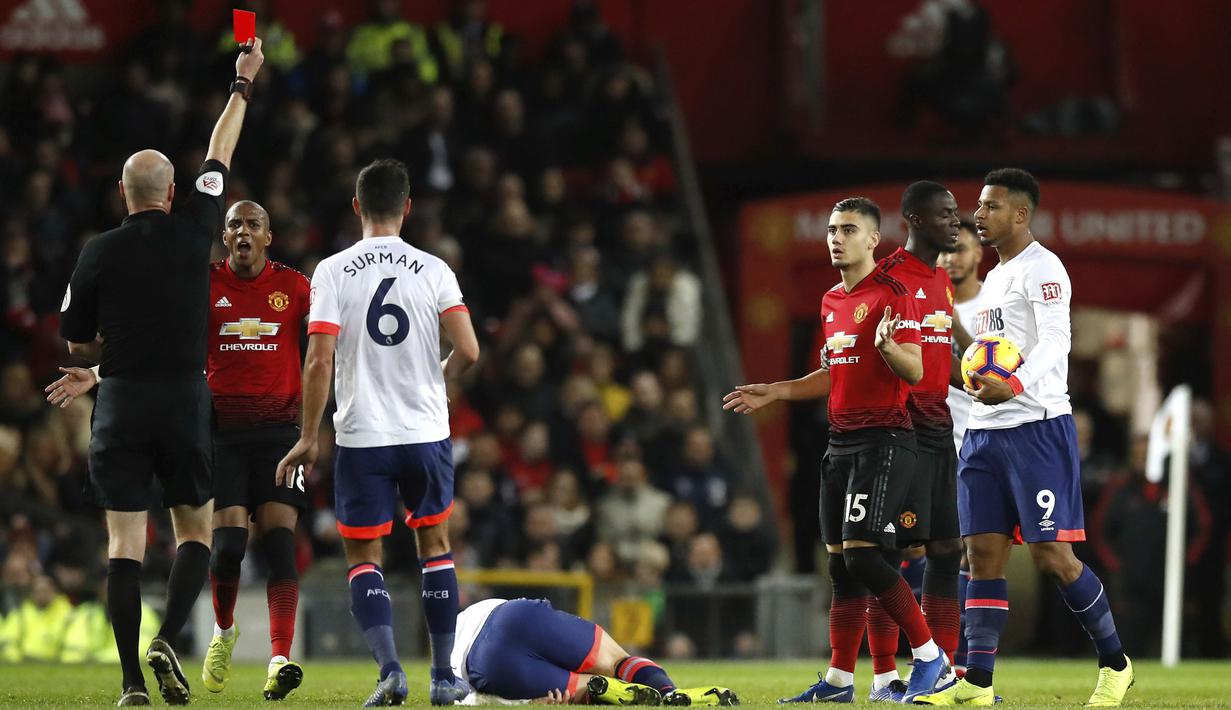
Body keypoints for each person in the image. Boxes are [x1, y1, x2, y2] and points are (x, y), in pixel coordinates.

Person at [49, 37, 265, 707]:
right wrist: (242, 82)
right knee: (194, 533)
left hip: (119, 406)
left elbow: (75, 343)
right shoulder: (199, 223)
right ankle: (168, 635)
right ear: (174, 193)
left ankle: (130, 685)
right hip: (182, 403)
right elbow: (220, 150)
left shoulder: (97, 253)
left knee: (122, 546)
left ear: (122, 194)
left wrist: (102, 367)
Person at [50, 200, 312, 699]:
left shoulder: (296, 287)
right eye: (233, 223)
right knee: (228, 549)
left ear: (268, 237)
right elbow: (162, 346)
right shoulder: (204, 281)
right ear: (224, 235)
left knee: (280, 544)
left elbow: (325, 346)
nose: (241, 231)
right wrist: (103, 373)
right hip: (218, 431)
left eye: (253, 224)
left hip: (279, 431)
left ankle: (279, 657)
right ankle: (223, 632)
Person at [916, 169, 1133, 707]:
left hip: (1036, 430)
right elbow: (987, 354)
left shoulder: (1044, 268)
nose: (980, 214)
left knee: (1052, 558)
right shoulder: (993, 278)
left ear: (1020, 214)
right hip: (983, 436)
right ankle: (978, 684)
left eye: (990, 206)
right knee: (982, 555)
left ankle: (1116, 664)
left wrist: (1011, 384)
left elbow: (1058, 340)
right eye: (979, 206)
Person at [723, 197, 948, 703]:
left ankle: (933, 660)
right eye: (831, 229)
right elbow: (836, 373)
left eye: (848, 229)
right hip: (839, 444)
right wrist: (778, 390)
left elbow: (914, 368)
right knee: (842, 570)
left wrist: (891, 350)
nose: (835, 237)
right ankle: (839, 681)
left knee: (867, 558)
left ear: (873, 239)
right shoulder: (831, 301)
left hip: (885, 441)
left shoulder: (893, 295)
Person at [275, 159, 480, 706]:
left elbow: (318, 360)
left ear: (357, 208)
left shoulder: (333, 271)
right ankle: (442, 678)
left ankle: (391, 670)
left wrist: (308, 434)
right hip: (424, 431)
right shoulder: (435, 269)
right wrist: (436, 381)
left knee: (364, 557)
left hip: (363, 435)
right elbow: (471, 350)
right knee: (434, 547)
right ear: (408, 207)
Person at [862, 181, 967, 702]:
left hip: (939, 429)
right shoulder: (885, 279)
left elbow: (942, 354)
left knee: (947, 551)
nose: (957, 221)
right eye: (947, 214)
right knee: (895, 552)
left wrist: (985, 377)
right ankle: (885, 676)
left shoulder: (942, 280)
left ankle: (943, 673)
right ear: (915, 220)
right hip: (898, 432)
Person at [448, 597, 736, 705]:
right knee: (618, 660)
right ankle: (670, 692)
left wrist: (525, 703)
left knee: (579, 689)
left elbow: (465, 699)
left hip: (487, 663)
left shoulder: (443, 658)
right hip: (515, 614)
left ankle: (603, 689)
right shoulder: (465, 615)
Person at [939, 218, 987, 676]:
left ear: (979, 255)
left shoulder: (996, 303)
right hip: (932, 439)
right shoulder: (922, 303)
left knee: (973, 551)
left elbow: (991, 370)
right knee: (922, 546)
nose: (951, 257)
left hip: (983, 441)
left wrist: (951, 326)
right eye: (945, 250)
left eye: (961, 249)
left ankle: (969, 662)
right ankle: (938, 658)